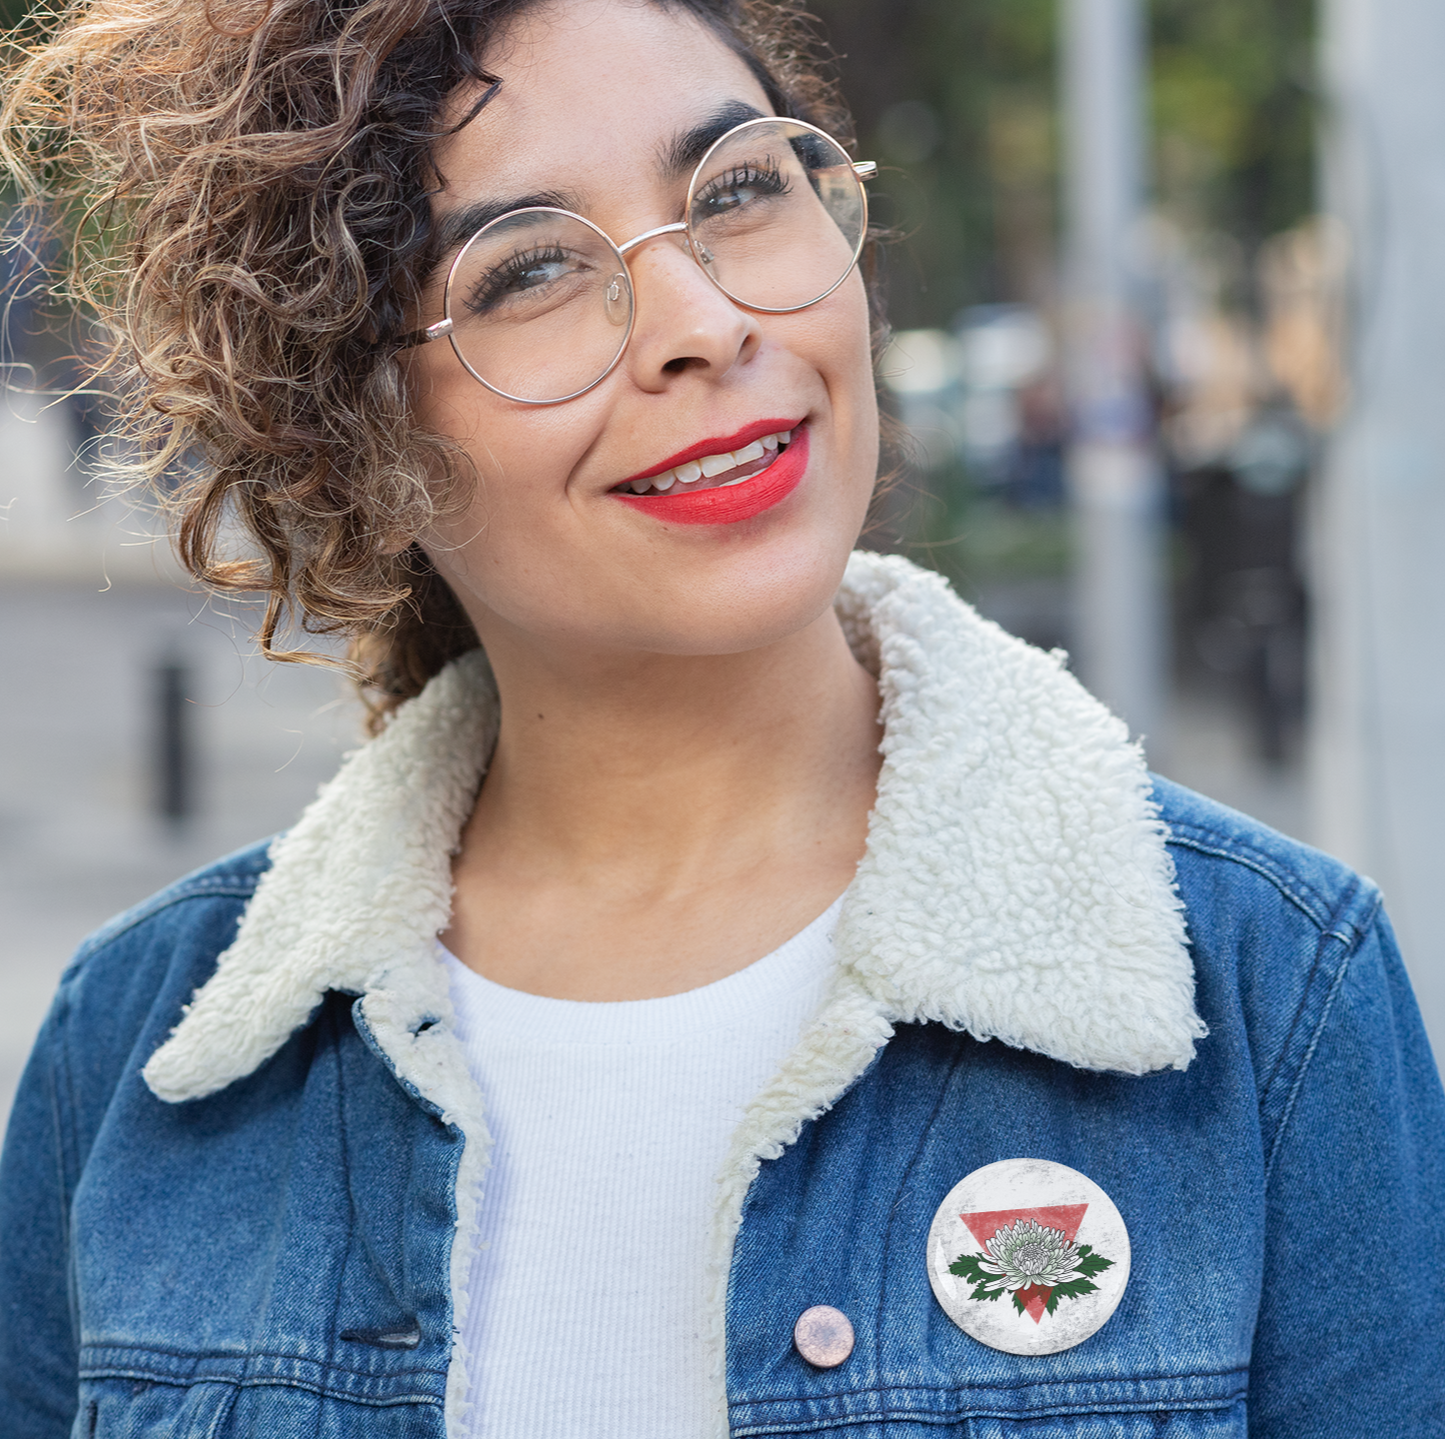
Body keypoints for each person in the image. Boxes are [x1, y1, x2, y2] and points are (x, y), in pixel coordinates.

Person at [1, 0, 1441, 1439]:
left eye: (737, 191)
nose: (706, 323)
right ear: (358, 441)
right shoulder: (138, 1059)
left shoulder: (1271, 997)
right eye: (530, 273)